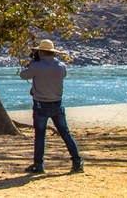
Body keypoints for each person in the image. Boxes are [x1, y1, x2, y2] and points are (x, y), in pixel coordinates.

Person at [20, 39, 84, 174]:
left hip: (41, 105)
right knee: (66, 134)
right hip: (57, 104)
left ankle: (38, 165)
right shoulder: (61, 66)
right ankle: (77, 162)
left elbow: (23, 75)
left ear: (41, 52)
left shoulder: (36, 65)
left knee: (40, 136)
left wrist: (31, 62)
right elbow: (63, 75)